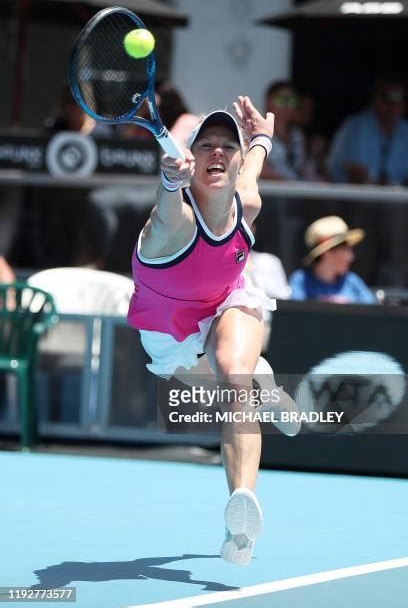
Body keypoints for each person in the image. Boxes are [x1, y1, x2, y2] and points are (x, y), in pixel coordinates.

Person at [127, 96, 300, 566]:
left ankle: (240, 517)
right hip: (170, 332)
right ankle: (268, 390)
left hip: (226, 301)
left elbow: (253, 168)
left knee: (235, 383)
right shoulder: (173, 221)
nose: (218, 153)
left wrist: (262, 136)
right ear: (192, 158)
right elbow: (167, 207)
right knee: (240, 384)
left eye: (228, 146)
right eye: (206, 146)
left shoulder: (247, 202)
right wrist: (168, 180)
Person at [327, 76, 408, 185]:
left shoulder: (405, 131)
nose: (394, 104)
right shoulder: (354, 127)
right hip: (356, 197)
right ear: (376, 98)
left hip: (397, 198)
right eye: (389, 97)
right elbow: (350, 172)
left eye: (401, 98)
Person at [289, 216, 376, 304]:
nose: (351, 257)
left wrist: (349, 306)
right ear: (327, 253)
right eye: (346, 250)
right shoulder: (301, 281)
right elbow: (294, 313)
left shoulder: (352, 281)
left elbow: (372, 311)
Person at [260, 81, 305, 181]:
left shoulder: (297, 135)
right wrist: (286, 182)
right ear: (268, 102)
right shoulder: (257, 130)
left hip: (295, 193)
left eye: (291, 101)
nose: (286, 105)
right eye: (281, 100)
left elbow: (301, 169)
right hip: (268, 193)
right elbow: (259, 168)